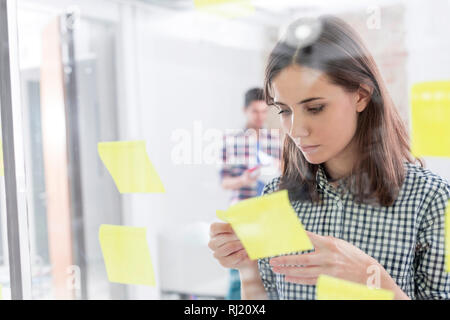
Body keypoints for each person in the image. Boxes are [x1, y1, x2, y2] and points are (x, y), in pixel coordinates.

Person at [209, 15, 450, 300]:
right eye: (285, 111)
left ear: (361, 96)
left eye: (315, 108)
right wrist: (247, 268)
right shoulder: (276, 196)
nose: (296, 130)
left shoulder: (431, 199)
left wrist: (371, 277)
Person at [219, 88, 281, 299]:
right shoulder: (231, 142)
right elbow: (225, 181)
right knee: (239, 273)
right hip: (242, 212)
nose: (260, 116)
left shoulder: (275, 140)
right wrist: (244, 180)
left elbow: (286, 173)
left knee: (268, 272)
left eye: (264, 111)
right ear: (245, 110)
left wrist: (276, 166)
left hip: (268, 213)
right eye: (255, 111)